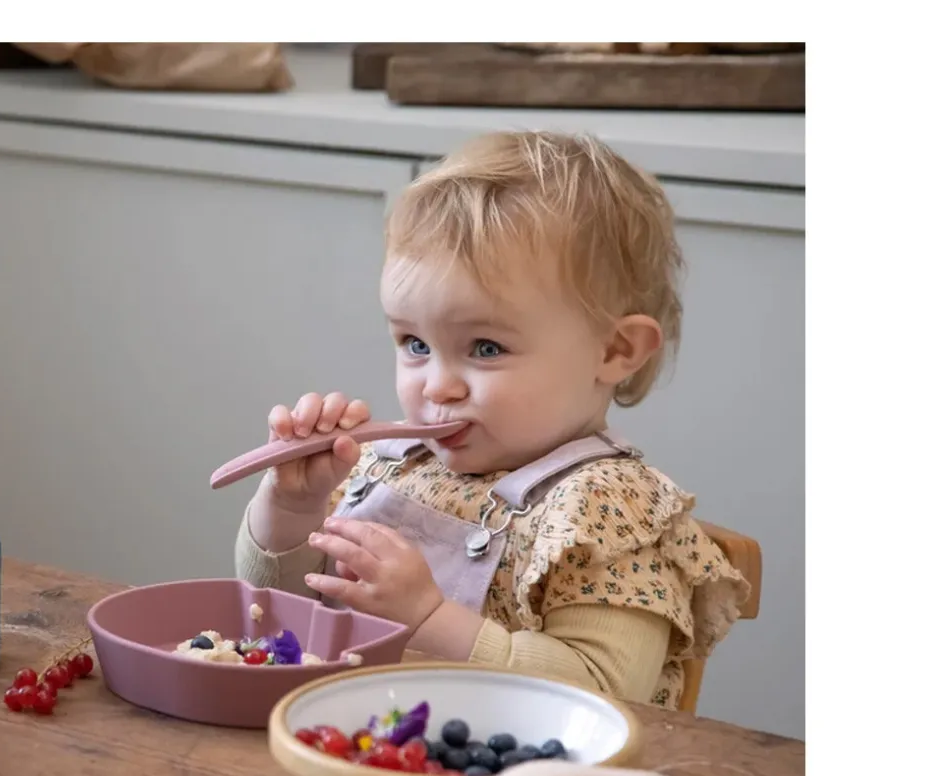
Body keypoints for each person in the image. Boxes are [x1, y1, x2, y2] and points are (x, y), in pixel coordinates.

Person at [234, 130, 749, 709]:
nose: (437, 386)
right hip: (347, 735)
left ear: (614, 351)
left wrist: (429, 618)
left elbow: (606, 694)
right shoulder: (385, 468)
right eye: (415, 344)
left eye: (485, 348)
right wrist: (292, 507)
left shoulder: (610, 512)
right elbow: (269, 612)